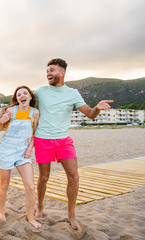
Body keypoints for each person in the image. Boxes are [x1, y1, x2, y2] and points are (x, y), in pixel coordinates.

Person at [34, 58, 113, 230]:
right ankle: (39, 207)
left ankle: (71, 215)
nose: (48, 73)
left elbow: (90, 114)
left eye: (52, 70)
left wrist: (97, 107)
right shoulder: (40, 91)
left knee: (74, 176)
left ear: (62, 73)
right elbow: (23, 103)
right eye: (47, 70)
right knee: (44, 177)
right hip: (43, 139)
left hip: (63, 140)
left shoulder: (73, 93)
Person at [0, 86, 42, 230]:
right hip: (6, 150)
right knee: (4, 185)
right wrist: (2, 121)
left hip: (23, 152)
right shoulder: (10, 111)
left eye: (25, 93)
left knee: (30, 186)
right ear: (16, 99)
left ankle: (31, 218)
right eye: (18, 94)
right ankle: (2, 211)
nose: (22, 96)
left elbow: (35, 133)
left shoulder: (35, 113)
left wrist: (29, 149)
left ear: (30, 97)